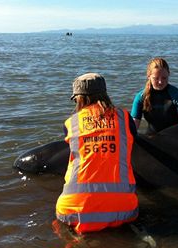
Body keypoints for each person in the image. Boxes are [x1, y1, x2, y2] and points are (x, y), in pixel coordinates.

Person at [55, 73, 139, 234]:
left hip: (75, 211)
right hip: (124, 211)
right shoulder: (125, 118)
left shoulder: (71, 123)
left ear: (79, 98)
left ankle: (77, 240)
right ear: (105, 94)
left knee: (59, 223)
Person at [131, 57, 178, 135]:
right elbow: (132, 128)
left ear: (169, 74)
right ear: (148, 76)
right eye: (156, 78)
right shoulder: (140, 97)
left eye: (164, 78)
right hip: (151, 139)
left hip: (174, 139)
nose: (160, 82)